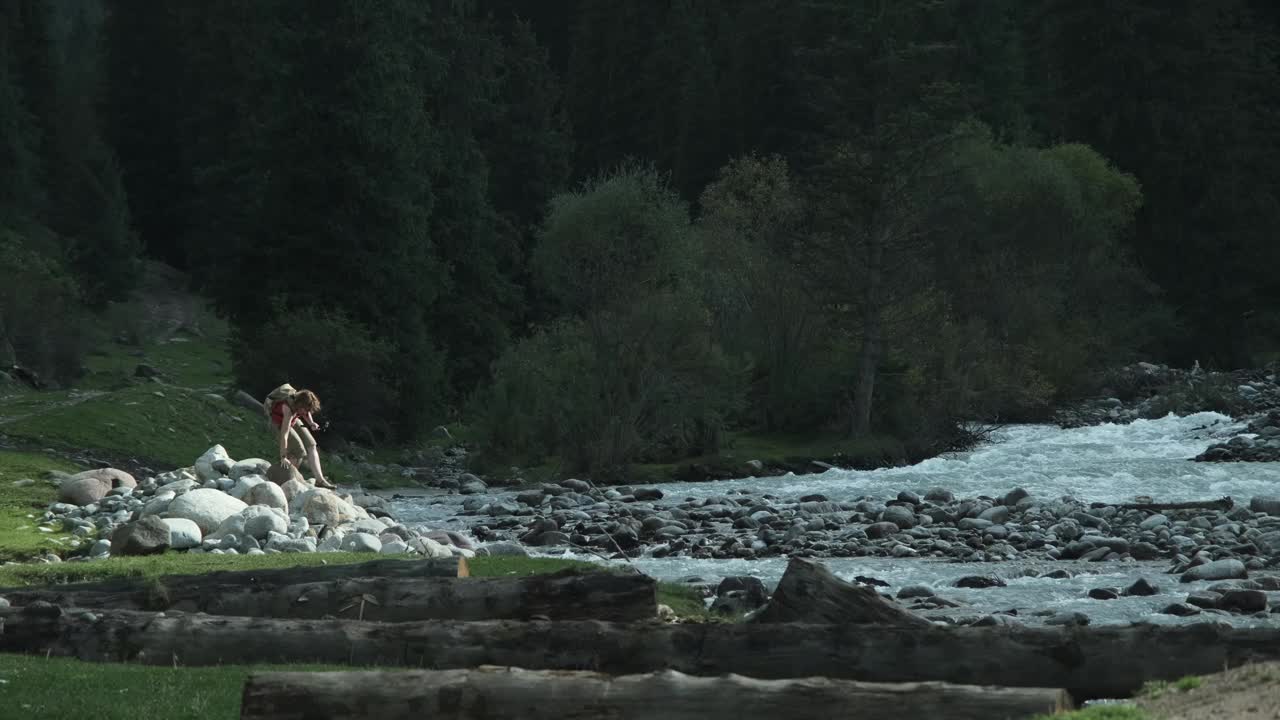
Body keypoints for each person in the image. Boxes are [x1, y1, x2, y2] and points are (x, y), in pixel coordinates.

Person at [263, 384, 335, 489]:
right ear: (299, 405)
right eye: (305, 409)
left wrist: (311, 423)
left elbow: (306, 412)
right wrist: (283, 456)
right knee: (299, 451)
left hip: (294, 419)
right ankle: (287, 481)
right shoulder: (287, 408)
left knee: (311, 444)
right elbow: (284, 435)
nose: (306, 412)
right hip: (278, 423)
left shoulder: (300, 405)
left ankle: (320, 480)